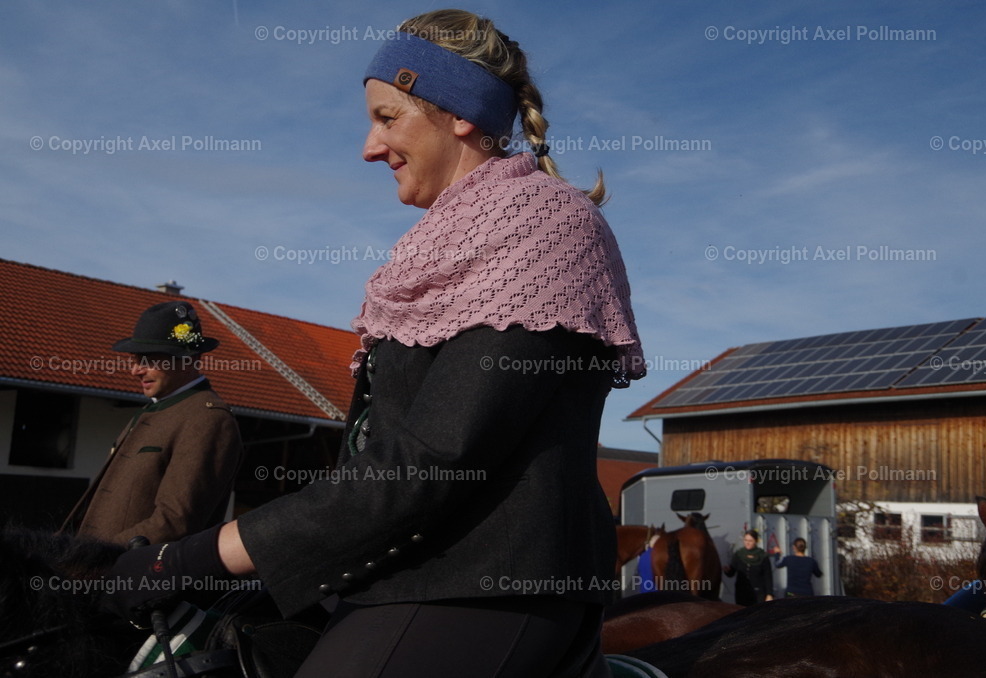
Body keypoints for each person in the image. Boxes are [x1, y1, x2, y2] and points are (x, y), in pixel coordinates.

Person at [103, 9, 644, 678]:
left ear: (460, 113)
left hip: (484, 585)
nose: (368, 146)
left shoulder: (541, 229)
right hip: (402, 573)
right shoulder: (448, 242)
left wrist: (189, 556)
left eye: (388, 118)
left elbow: (430, 460)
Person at [61, 301, 244, 546]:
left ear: (186, 359)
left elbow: (174, 522)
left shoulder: (208, 419)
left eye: (147, 360)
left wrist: (94, 558)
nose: (135, 370)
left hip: (135, 577)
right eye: (135, 359)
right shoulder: (157, 409)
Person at [723, 529, 774, 605]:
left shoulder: (763, 556)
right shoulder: (739, 554)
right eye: (746, 540)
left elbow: (768, 576)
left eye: (750, 541)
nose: (747, 543)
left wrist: (769, 594)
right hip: (742, 593)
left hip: (758, 593)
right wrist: (727, 570)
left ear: (755, 541)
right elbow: (732, 573)